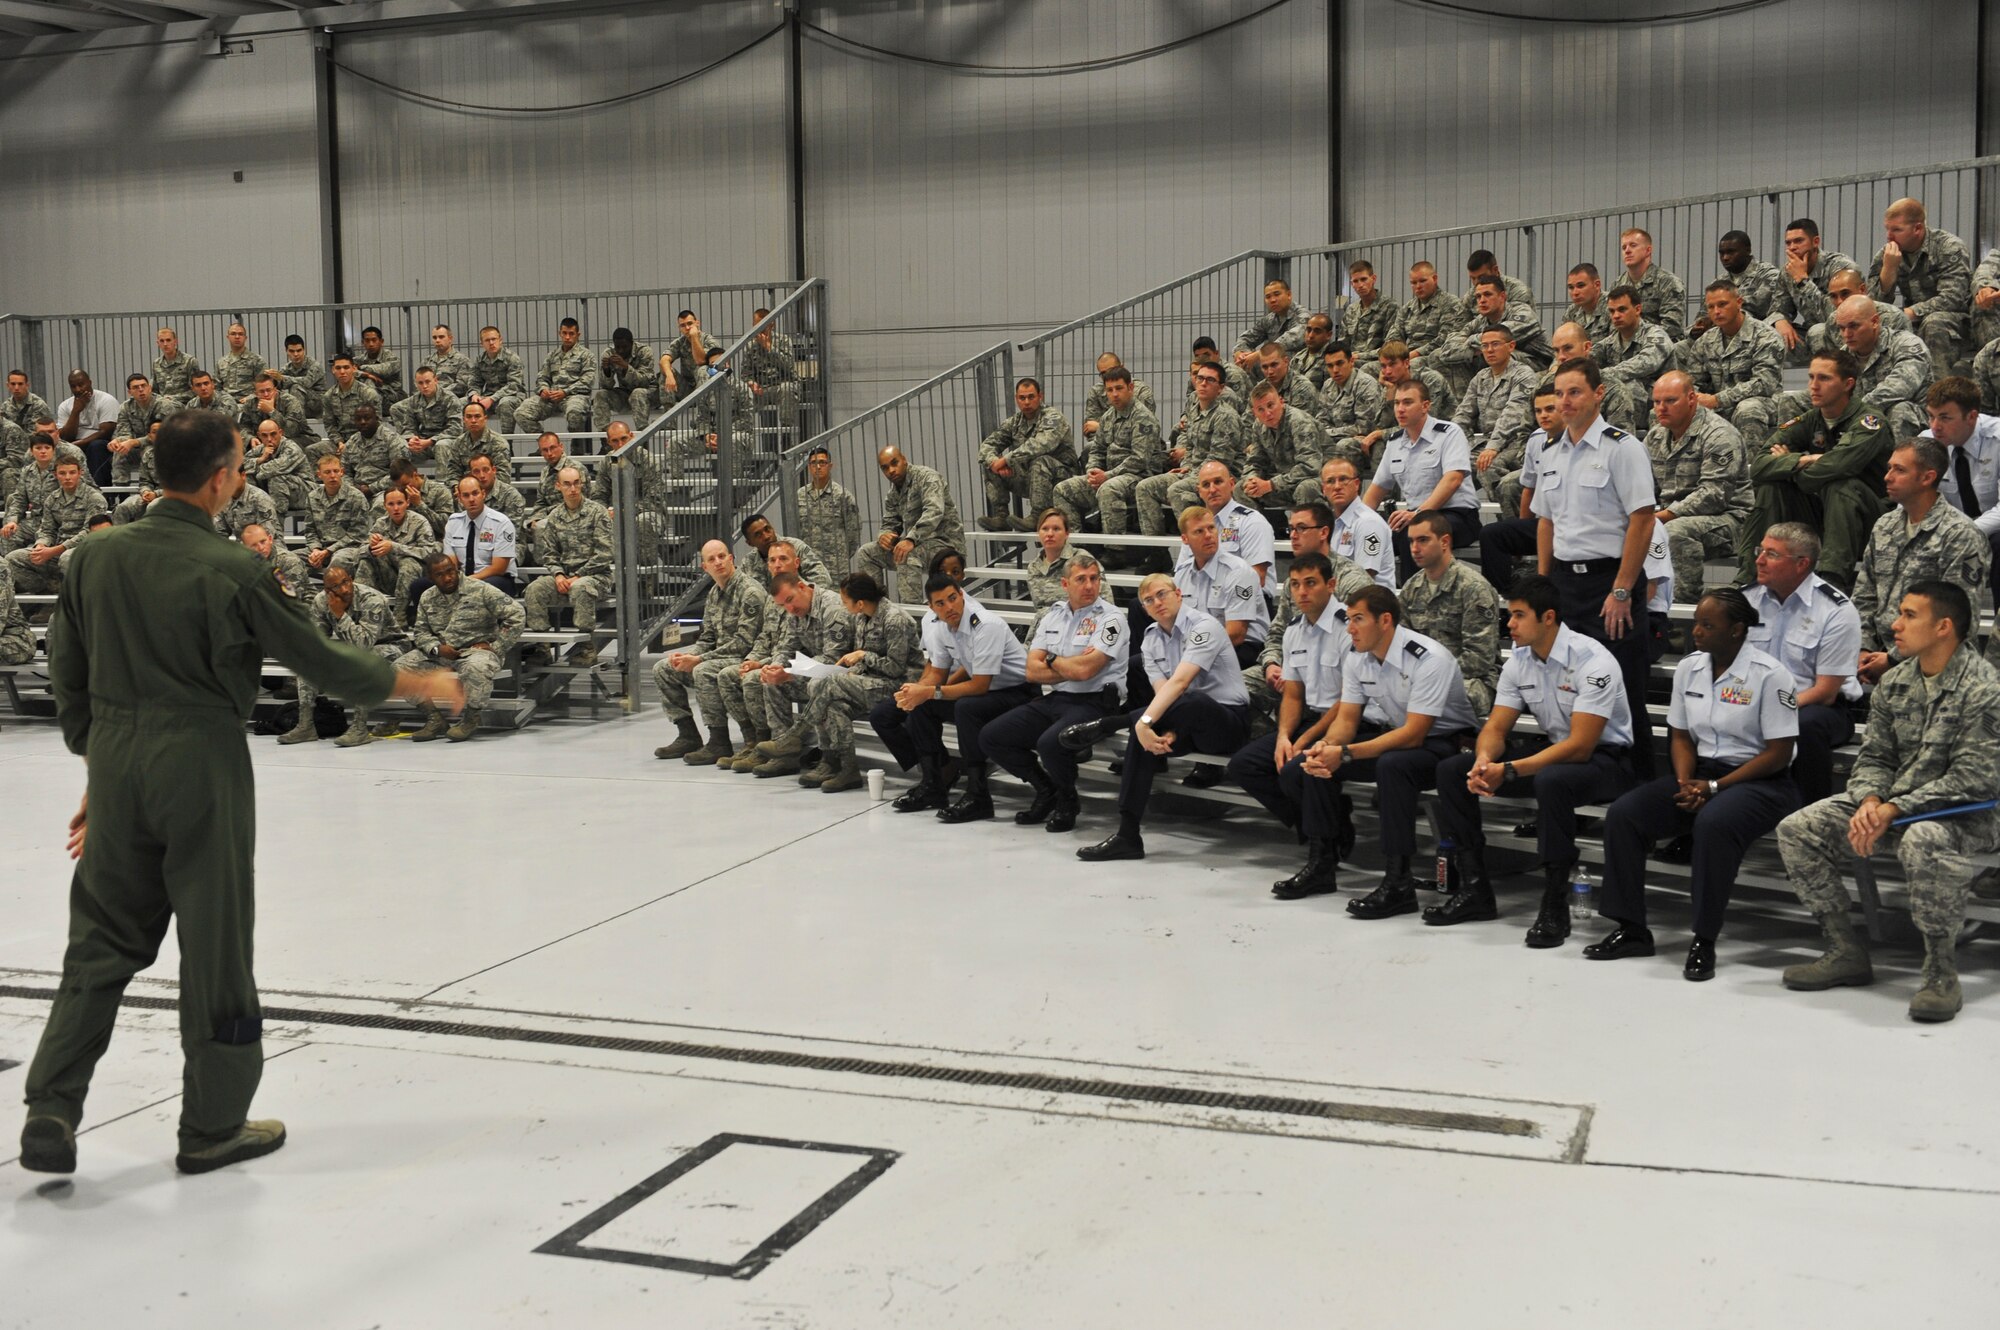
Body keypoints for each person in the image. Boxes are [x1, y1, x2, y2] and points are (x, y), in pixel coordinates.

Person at [15, 409, 461, 1179]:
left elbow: (68, 677)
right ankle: (212, 1124)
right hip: (201, 765)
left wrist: (103, 772)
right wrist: (418, 682)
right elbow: (319, 659)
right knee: (214, 945)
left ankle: (51, 1106)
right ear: (222, 477)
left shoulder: (93, 557)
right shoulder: (234, 570)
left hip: (117, 765)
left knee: (98, 945)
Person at [1777, 581, 2000, 1023]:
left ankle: (1941, 974)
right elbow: (1876, 756)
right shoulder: (1897, 681)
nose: (1895, 625)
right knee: (1798, 829)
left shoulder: (1984, 688)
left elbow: (1976, 778)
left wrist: (1893, 809)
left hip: (1970, 813)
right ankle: (1845, 950)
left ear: (1943, 627)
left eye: (1909, 615)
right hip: (1890, 806)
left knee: (1924, 839)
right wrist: (1870, 799)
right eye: (1899, 613)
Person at [1586, 588, 1801, 981]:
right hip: (1701, 773)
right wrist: (1687, 782)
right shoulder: (1690, 668)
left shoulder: (1771, 676)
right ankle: (1631, 928)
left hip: (1761, 781)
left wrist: (1714, 788)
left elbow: (1778, 753)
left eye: (1707, 625)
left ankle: (1704, 938)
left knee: (1713, 824)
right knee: (1625, 814)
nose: (1696, 632)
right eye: (1696, 622)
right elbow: (1680, 735)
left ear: (1737, 630)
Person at [1430, 574, 1639, 937]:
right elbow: (1496, 728)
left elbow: (1580, 746)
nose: (1509, 624)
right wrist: (1484, 761)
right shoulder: (1519, 661)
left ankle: (1555, 903)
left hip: (1607, 762)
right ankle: (1474, 887)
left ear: (1548, 618)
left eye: (1519, 615)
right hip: (1555, 752)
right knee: (1453, 770)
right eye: (1509, 615)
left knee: (1552, 780)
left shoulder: (1592, 660)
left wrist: (1508, 770)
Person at [1272, 584, 1480, 910]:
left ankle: (1399, 882)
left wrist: (1344, 753)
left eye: (1357, 619)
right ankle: (1322, 865)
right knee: (1309, 767)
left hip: (1448, 743)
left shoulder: (1428, 658)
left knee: (1392, 766)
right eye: (1348, 619)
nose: (1349, 628)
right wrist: (1326, 747)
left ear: (1385, 621)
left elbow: (1415, 734)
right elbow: (1347, 721)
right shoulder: (1358, 658)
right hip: (1399, 738)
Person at [1061, 574, 1252, 861]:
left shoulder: (1204, 626)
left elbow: (1180, 684)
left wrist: (1142, 722)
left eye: (1162, 594)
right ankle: (1127, 834)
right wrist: (1159, 729)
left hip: (1227, 724)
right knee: (1145, 738)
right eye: (1149, 600)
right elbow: (1165, 695)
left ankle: (1110, 724)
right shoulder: (1150, 639)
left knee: (1181, 705)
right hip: (1185, 723)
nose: (1157, 603)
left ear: (1178, 593)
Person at [1531, 357, 1657, 773]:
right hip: (1566, 585)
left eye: (1575, 392)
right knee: (1569, 691)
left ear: (1598, 394)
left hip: (1611, 582)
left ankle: (1639, 793)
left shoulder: (1623, 448)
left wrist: (1621, 590)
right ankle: (1574, 788)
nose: (1565, 402)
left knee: (1623, 689)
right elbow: (1546, 522)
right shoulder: (1549, 451)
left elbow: (1642, 519)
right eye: (1560, 394)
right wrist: (1545, 584)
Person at [1225, 554, 1355, 892]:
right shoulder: (1295, 631)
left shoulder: (1348, 627)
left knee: (1299, 769)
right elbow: (1293, 696)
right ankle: (1330, 823)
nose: (1301, 592)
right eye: (1295, 585)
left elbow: (1348, 700)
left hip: (1347, 721)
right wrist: (1284, 735)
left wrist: (1305, 740)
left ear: (1331, 585)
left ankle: (1321, 864)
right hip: (1309, 719)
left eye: (1310, 583)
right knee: (1244, 765)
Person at [981, 552, 1128, 831]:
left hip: (1096, 702)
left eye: (1094, 579)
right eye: (1081, 579)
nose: (1089, 586)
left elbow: (1086, 672)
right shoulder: (1053, 616)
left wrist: (1051, 658)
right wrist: (1069, 665)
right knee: (992, 736)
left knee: (1051, 742)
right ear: (1065, 584)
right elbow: (1030, 671)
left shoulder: (1111, 619)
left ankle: (1067, 800)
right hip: (1058, 697)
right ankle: (1046, 789)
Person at [870, 573, 1033, 814]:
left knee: (965, 707)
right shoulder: (943, 629)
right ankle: (933, 784)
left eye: (953, 598)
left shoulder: (985, 625)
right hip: (991, 694)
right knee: (922, 705)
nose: (949, 607)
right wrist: (915, 692)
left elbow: (979, 685)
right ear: (931, 607)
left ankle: (978, 795)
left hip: (1019, 692)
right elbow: (937, 674)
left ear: (962, 595)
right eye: (941, 603)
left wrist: (930, 692)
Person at [1733, 349, 1895, 590]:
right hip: (1823, 517)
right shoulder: (1809, 420)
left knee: (1841, 484)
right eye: (1811, 377)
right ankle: (1749, 576)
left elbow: (1835, 468)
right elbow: (1758, 467)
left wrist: (1792, 468)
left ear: (1848, 384)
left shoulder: (1869, 423)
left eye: (1824, 378)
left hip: (1868, 521)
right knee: (1771, 486)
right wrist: (1802, 461)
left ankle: (1832, 579)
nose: (1813, 386)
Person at [1851, 440, 1990, 684]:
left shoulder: (1959, 534)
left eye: (1899, 470)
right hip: (1879, 662)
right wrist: (1863, 648)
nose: (1887, 477)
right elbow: (1865, 596)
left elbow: (1959, 617)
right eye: (1889, 467)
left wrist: (1892, 659)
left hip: (1938, 672)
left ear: (1927, 478)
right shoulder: (1884, 526)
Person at [1742, 523, 1862, 806]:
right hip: (1755, 699)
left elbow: (1826, 691)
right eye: (1760, 550)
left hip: (1821, 707)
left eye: (1771, 554)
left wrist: (1773, 710)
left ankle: (1809, 817)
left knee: (1805, 725)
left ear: (1801, 564)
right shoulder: (1746, 600)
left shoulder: (1835, 610)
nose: (1758, 559)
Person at [795, 573, 923, 793]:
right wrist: (854, 670)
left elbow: (895, 668)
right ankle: (846, 768)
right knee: (833, 704)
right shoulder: (862, 617)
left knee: (826, 683)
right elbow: (863, 662)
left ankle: (797, 737)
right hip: (873, 682)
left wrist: (863, 656)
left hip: (900, 686)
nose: (844, 607)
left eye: (845, 602)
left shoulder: (894, 619)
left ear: (860, 602)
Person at [652, 540, 775, 765]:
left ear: (731, 559)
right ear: (704, 567)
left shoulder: (750, 592)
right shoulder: (714, 594)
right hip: (720, 656)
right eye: (712, 559)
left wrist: (698, 659)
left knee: (703, 670)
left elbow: (744, 643)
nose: (718, 562)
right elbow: (707, 637)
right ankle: (687, 735)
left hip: (747, 658)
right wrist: (687, 656)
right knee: (663, 668)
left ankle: (718, 741)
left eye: (721, 556)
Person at [395, 551, 524, 743]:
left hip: (475, 651)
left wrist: (497, 646)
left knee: (476, 668)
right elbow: (421, 632)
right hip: (441, 652)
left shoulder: (480, 589)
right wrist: (437, 648)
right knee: (398, 669)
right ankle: (434, 718)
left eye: (451, 571)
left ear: (457, 570)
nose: (448, 578)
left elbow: (517, 615)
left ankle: (470, 719)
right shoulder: (427, 597)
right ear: (431, 578)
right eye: (440, 575)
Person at [1646, 370, 1749, 602]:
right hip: (1670, 515)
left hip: (1729, 520)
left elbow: (1713, 496)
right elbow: (1644, 486)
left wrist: (1662, 516)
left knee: (1675, 532)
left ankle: (1683, 608)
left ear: (1691, 398)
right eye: (1656, 402)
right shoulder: (1655, 437)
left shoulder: (1719, 434)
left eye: (1670, 401)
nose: (1661, 408)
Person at [1362, 379, 1479, 578]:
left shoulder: (1449, 433)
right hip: (1415, 517)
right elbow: (1375, 491)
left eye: (1407, 403)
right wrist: (1356, 524)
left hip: (1457, 516)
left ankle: (1414, 602)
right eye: (1397, 403)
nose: (1400, 409)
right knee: (1371, 542)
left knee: (1413, 536)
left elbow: (1453, 480)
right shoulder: (1395, 443)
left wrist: (1418, 513)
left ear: (1425, 406)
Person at [277, 565, 402, 748]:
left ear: (351, 579)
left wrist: (340, 614)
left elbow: (364, 644)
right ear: (328, 590)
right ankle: (306, 726)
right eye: (336, 586)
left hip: (390, 646)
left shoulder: (372, 599)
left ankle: (359, 729)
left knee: (362, 660)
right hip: (352, 648)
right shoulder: (322, 601)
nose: (343, 589)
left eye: (345, 582)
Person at [746, 572, 855, 778]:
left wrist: (790, 673)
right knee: (770, 680)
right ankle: (784, 755)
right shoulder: (794, 613)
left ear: (803, 587)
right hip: (815, 675)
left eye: (790, 600)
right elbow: (785, 648)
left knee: (813, 683)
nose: (789, 608)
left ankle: (825, 755)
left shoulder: (832, 608)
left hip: (843, 677)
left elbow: (834, 658)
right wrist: (776, 667)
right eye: (782, 605)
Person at [1397, 510, 1501, 716]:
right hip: (1424, 677)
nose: (1414, 549)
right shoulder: (1412, 588)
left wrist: (1430, 676)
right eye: (1411, 542)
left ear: (1444, 542)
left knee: (1445, 697)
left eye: (1423, 540)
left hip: (1470, 679)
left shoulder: (1473, 587)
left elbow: (1479, 658)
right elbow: (1403, 645)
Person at [1052, 368, 1164, 557]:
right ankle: (1079, 548)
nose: (1114, 394)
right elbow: (1097, 449)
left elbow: (1139, 459)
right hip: (1108, 475)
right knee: (1063, 490)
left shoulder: (1143, 417)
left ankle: (1115, 550)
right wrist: (1092, 471)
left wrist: (1107, 476)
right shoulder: (1108, 417)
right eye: (1110, 390)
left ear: (1130, 387)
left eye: (1119, 388)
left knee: (1108, 488)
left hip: (1139, 476)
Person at [1867, 197, 1973, 374]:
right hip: (1915, 321)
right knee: (1874, 327)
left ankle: (1938, 396)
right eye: (1887, 229)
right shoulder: (1887, 254)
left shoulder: (1949, 247)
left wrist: (1910, 312)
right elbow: (1873, 305)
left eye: (1896, 230)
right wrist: (1888, 271)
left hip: (1957, 320)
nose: (1889, 236)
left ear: (1917, 228)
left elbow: (1952, 298)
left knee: (1934, 323)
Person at [521, 466, 613, 667]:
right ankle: (542, 647)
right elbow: (549, 553)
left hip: (596, 577)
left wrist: (579, 575)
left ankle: (587, 648)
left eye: (576, 483)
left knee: (581, 588)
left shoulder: (597, 512)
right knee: (535, 589)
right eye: (567, 484)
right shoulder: (555, 516)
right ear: (558, 486)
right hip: (565, 578)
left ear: (582, 484)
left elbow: (605, 553)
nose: (573, 489)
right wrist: (559, 575)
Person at [1923, 376, 2000, 605]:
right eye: (1931, 416)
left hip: (1991, 531)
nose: (1935, 426)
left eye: (1945, 418)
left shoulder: (1997, 440)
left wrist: (1963, 532)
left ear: (1972, 417)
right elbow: (1910, 501)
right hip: (1952, 534)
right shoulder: (1926, 443)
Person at [856, 445, 966, 602]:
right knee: (866, 553)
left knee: (905, 554)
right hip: (918, 546)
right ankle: (879, 612)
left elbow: (934, 511)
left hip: (946, 545)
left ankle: (914, 618)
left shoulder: (927, 477)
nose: (891, 470)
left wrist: (910, 539)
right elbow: (889, 523)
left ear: (904, 460)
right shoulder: (893, 495)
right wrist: (884, 536)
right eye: (885, 468)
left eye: (895, 463)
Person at [1685, 280, 1785, 446]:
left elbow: (1764, 384)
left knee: (1748, 409)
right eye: (1711, 307)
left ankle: (1750, 470)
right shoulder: (1705, 342)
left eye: (1722, 304)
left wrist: (1717, 400)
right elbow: (1694, 381)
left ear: (1739, 302)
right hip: (1718, 405)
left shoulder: (1766, 336)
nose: (1716, 311)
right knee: (1669, 411)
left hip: (1762, 403)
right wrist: (1695, 398)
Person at [1173, 505, 1268, 668]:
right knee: (1142, 665)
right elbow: (1176, 623)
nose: (1208, 535)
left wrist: (1192, 653)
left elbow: (1236, 634)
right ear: (1185, 539)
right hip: (1198, 646)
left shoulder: (1238, 572)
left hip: (1240, 649)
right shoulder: (1182, 573)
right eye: (1199, 531)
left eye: (1211, 528)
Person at [978, 377, 1077, 529]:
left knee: (1040, 461)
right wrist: (994, 462)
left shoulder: (1053, 417)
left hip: (1061, 476)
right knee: (989, 464)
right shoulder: (1014, 422)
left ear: (1040, 396)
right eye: (1022, 398)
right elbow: (987, 445)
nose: (1026, 402)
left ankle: (1038, 516)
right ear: (1016, 399)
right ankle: (1001, 516)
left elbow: (1042, 443)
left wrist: (1007, 460)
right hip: (1031, 478)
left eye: (1031, 397)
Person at [5, 455, 107, 593]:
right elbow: (47, 529)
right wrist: (41, 546)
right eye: (62, 473)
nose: (67, 477)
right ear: (55, 475)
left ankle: (76, 601)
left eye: (72, 472)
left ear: (80, 473)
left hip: (85, 551)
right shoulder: (52, 499)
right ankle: (46, 590)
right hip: (55, 550)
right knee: (13, 559)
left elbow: (90, 533)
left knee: (66, 558)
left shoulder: (94, 498)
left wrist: (56, 550)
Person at [1238, 380, 1332, 514]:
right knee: (1241, 489)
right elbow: (1255, 461)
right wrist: (1252, 480)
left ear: (1281, 402)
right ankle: (1261, 529)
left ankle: (1310, 531)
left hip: (1318, 478)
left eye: (1271, 405)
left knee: (1306, 488)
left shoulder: (1299, 421)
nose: (1267, 413)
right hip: (1285, 481)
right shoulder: (1258, 426)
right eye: (1261, 409)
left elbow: (1310, 467)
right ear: (1254, 412)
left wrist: (1271, 484)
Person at [1175, 461, 1274, 585]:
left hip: (1244, 601)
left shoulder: (1252, 522)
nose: (1212, 489)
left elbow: (1256, 578)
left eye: (1218, 482)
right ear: (1199, 491)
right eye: (1206, 485)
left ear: (1231, 484)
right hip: (1201, 600)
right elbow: (1181, 576)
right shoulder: (1195, 527)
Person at [353, 483, 439, 624]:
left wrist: (394, 547)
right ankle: (362, 614)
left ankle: (400, 617)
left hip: (414, 580)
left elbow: (429, 553)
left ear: (407, 503)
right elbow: (359, 553)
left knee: (409, 564)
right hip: (389, 577)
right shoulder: (381, 523)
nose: (396, 508)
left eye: (400, 503)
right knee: (365, 562)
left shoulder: (419, 522)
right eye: (391, 504)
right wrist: (370, 546)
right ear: (385, 506)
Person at [1320, 455, 1396, 588]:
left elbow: (1364, 580)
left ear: (1356, 484)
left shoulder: (1368, 523)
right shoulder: (1333, 525)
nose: (1337, 486)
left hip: (1369, 604)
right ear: (1323, 489)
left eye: (1343, 479)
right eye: (1330, 481)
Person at [439, 474, 519, 597]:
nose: (471, 499)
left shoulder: (501, 523)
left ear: (483, 494)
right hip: (463, 578)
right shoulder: (453, 522)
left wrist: (468, 581)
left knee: (480, 588)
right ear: (459, 498)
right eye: (466, 495)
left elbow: (499, 568)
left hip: (497, 579)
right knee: (420, 584)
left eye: (475, 493)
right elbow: (451, 563)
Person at [1599, 284, 1677, 403]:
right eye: (1612, 311)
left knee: (1629, 386)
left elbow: (1647, 362)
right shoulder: (1609, 342)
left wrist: (1605, 374)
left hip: (1663, 400)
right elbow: (1587, 358)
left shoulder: (1656, 335)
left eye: (1622, 309)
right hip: (1628, 403)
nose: (1616, 316)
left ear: (1637, 309)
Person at [517, 317, 593, 435]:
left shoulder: (586, 355)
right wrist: (543, 389)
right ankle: (545, 444)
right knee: (521, 413)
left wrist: (565, 392)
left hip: (574, 396)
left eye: (571, 334)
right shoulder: (552, 355)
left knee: (575, 413)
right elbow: (542, 377)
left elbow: (587, 381)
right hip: (551, 397)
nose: (567, 337)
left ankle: (577, 450)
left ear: (578, 335)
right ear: (559, 333)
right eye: (564, 333)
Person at [304, 454, 371, 576]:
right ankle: (306, 593)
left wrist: (328, 551)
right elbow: (310, 530)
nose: (332, 476)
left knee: (338, 562)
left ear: (342, 472)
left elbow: (357, 535)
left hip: (349, 549)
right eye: (327, 472)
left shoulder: (355, 497)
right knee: (290, 560)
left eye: (336, 471)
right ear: (319, 475)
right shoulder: (312, 497)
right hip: (321, 549)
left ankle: (330, 594)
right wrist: (315, 550)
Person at [796, 444, 863, 565]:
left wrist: (842, 555)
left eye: (822, 463)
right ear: (809, 467)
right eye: (813, 463)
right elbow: (795, 529)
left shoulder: (842, 495)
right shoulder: (800, 495)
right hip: (807, 563)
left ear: (830, 466)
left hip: (836, 565)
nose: (818, 467)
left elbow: (854, 531)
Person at [1619, 227, 1687, 340]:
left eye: (1633, 245)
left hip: (1659, 348)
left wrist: (1637, 342)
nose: (1627, 250)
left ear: (1648, 250)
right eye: (1624, 247)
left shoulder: (1668, 282)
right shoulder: (1618, 285)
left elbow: (1671, 327)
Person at [53, 369, 120, 486]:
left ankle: (101, 493)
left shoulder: (106, 400)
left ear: (90, 382)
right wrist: (76, 411)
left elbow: (105, 432)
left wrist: (78, 444)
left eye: (81, 384)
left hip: (103, 445)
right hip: (74, 444)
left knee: (96, 447)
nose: (78, 389)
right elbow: (66, 436)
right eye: (73, 386)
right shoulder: (65, 406)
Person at [1389, 261, 1463, 358]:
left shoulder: (1450, 303)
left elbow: (1446, 338)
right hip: (1407, 357)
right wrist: (1396, 356)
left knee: (1412, 366)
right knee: (1369, 367)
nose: (1418, 286)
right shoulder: (1407, 308)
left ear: (1435, 279)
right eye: (1413, 283)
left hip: (1435, 357)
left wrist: (1415, 354)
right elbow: (1394, 337)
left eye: (1423, 281)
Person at [1024, 507, 1091, 612]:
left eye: (1056, 529)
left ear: (1067, 533)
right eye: (1045, 529)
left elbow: (1104, 606)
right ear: (1038, 533)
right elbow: (1040, 609)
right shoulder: (1034, 567)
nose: (1050, 534)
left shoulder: (1083, 559)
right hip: (1048, 625)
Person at [391, 365, 461, 460]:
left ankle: (446, 476)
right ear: (416, 384)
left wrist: (430, 441)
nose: (424, 386)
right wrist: (412, 439)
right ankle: (408, 475)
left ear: (435, 380)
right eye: (420, 383)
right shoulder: (414, 401)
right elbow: (408, 426)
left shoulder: (450, 398)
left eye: (428, 382)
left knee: (441, 446)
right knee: (400, 448)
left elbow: (455, 428)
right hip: (423, 442)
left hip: (446, 440)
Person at [1233, 278, 1307, 369]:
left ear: (1289, 295)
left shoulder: (1302, 315)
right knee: (1245, 363)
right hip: (1274, 369)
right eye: (1268, 297)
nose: (1272, 300)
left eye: (1277, 294)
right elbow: (1246, 338)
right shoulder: (1269, 319)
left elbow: (1294, 338)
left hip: (1300, 368)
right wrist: (1240, 352)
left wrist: (1261, 353)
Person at [467, 326, 527, 436]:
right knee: (463, 404)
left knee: (505, 404)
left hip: (513, 397)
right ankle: (469, 442)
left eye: (494, 339)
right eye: (487, 340)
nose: (491, 343)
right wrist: (474, 395)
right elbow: (474, 382)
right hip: (488, 397)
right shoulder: (479, 360)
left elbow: (514, 385)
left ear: (500, 340)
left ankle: (507, 444)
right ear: (482, 343)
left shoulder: (512, 358)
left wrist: (492, 399)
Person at [1341, 260, 1400, 358]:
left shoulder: (1390, 306)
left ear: (1373, 279)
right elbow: (1342, 344)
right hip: (1352, 360)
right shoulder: (1351, 310)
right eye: (1355, 281)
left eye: (1364, 279)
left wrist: (1360, 356)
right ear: (1352, 284)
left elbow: (1390, 346)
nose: (1360, 285)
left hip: (1378, 360)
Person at [274, 334, 331, 420]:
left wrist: (282, 378)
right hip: (300, 404)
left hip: (318, 405)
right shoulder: (287, 368)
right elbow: (277, 384)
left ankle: (297, 422)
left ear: (304, 350)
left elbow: (306, 382)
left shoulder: (314, 365)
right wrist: (272, 378)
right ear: (286, 351)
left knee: (296, 388)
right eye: (292, 351)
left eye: (299, 350)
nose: (296, 354)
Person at [149, 327, 202, 406]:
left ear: (175, 341)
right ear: (158, 343)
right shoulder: (156, 364)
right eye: (162, 341)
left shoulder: (189, 361)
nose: (165, 344)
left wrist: (172, 398)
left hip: (184, 404)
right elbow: (154, 390)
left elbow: (196, 389)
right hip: (162, 405)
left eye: (168, 340)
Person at [352, 326, 403, 407]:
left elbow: (384, 369)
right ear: (362, 342)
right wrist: (368, 375)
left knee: (368, 382)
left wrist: (361, 368)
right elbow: (349, 371)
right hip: (369, 395)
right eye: (367, 341)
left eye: (374, 340)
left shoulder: (391, 357)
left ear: (381, 341)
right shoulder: (359, 360)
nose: (371, 344)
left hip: (393, 397)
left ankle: (373, 414)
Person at [420, 324, 476, 398]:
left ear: (450, 339)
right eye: (434, 337)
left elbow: (461, 386)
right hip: (427, 398)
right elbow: (419, 381)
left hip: (449, 400)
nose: (437, 340)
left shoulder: (462, 360)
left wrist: (437, 392)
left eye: (441, 337)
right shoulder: (427, 361)